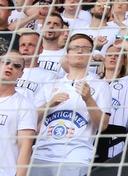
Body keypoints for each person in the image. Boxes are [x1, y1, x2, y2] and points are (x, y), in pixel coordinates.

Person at [32, 33, 110, 176]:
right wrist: (49, 104)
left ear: (91, 55)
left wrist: (88, 99)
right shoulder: (51, 84)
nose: (80, 51)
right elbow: (29, 119)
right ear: (66, 55)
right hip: (41, 154)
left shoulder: (100, 85)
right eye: (75, 47)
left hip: (76, 157)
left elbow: (103, 125)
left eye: (85, 48)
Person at [0, 51, 36, 176]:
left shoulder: (25, 105)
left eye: (16, 65)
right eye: (6, 62)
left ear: (21, 73)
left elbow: (25, 148)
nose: (10, 66)